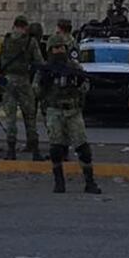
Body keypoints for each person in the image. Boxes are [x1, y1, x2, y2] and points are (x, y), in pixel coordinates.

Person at [35, 35, 102, 195]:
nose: (59, 51)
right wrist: (46, 80)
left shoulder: (74, 66)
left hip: (73, 111)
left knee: (83, 148)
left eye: (61, 48)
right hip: (54, 111)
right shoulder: (45, 68)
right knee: (56, 149)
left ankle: (90, 182)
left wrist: (78, 82)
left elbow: (86, 86)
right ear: (50, 50)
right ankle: (59, 182)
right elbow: (36, 91)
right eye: (55, 48)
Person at [0, 15, 44, 161]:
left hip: (8, 82)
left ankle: (11, 152)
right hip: (24, 81)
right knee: (30, 117)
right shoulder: (31, 42)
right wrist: (35, 82)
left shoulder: (3, 40)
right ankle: (35, 151)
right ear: (25, 27)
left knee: (10, 118)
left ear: (14, 25)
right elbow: (40, 64)